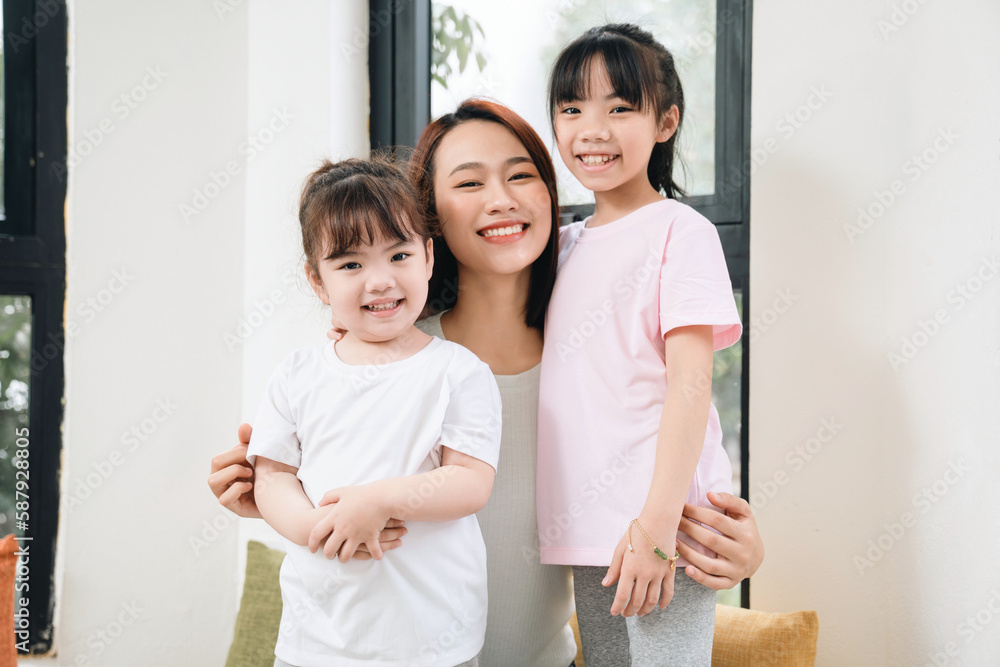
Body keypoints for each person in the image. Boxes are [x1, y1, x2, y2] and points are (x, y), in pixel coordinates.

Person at [209, 100, 765, 666]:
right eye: (469, 182)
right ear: (428, 218)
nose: (500, 199)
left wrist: (731, 550)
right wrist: (274, 493)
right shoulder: (387, 360)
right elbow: (319, 493)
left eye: (521, 175)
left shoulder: (595, 361)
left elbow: (669, 463)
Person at [536, 24, 741, 666]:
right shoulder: (561, 247)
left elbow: (691, 386)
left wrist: (656, 528)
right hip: (588, 525)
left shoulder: (682, 231)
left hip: (665, 523)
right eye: (572, 109)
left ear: (665, 122)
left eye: (620, 107)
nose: (592, 129)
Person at [247, 156, 502, 667]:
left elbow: (471, 481)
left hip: (433, 641)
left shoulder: (460, 372)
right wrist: (318, 527)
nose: (380, 280)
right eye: (351, 265)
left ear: (428, 257)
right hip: (315, 642)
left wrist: (378, 500)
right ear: (317, 281)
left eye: (399, 255)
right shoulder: (296, 375)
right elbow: (272, 477)